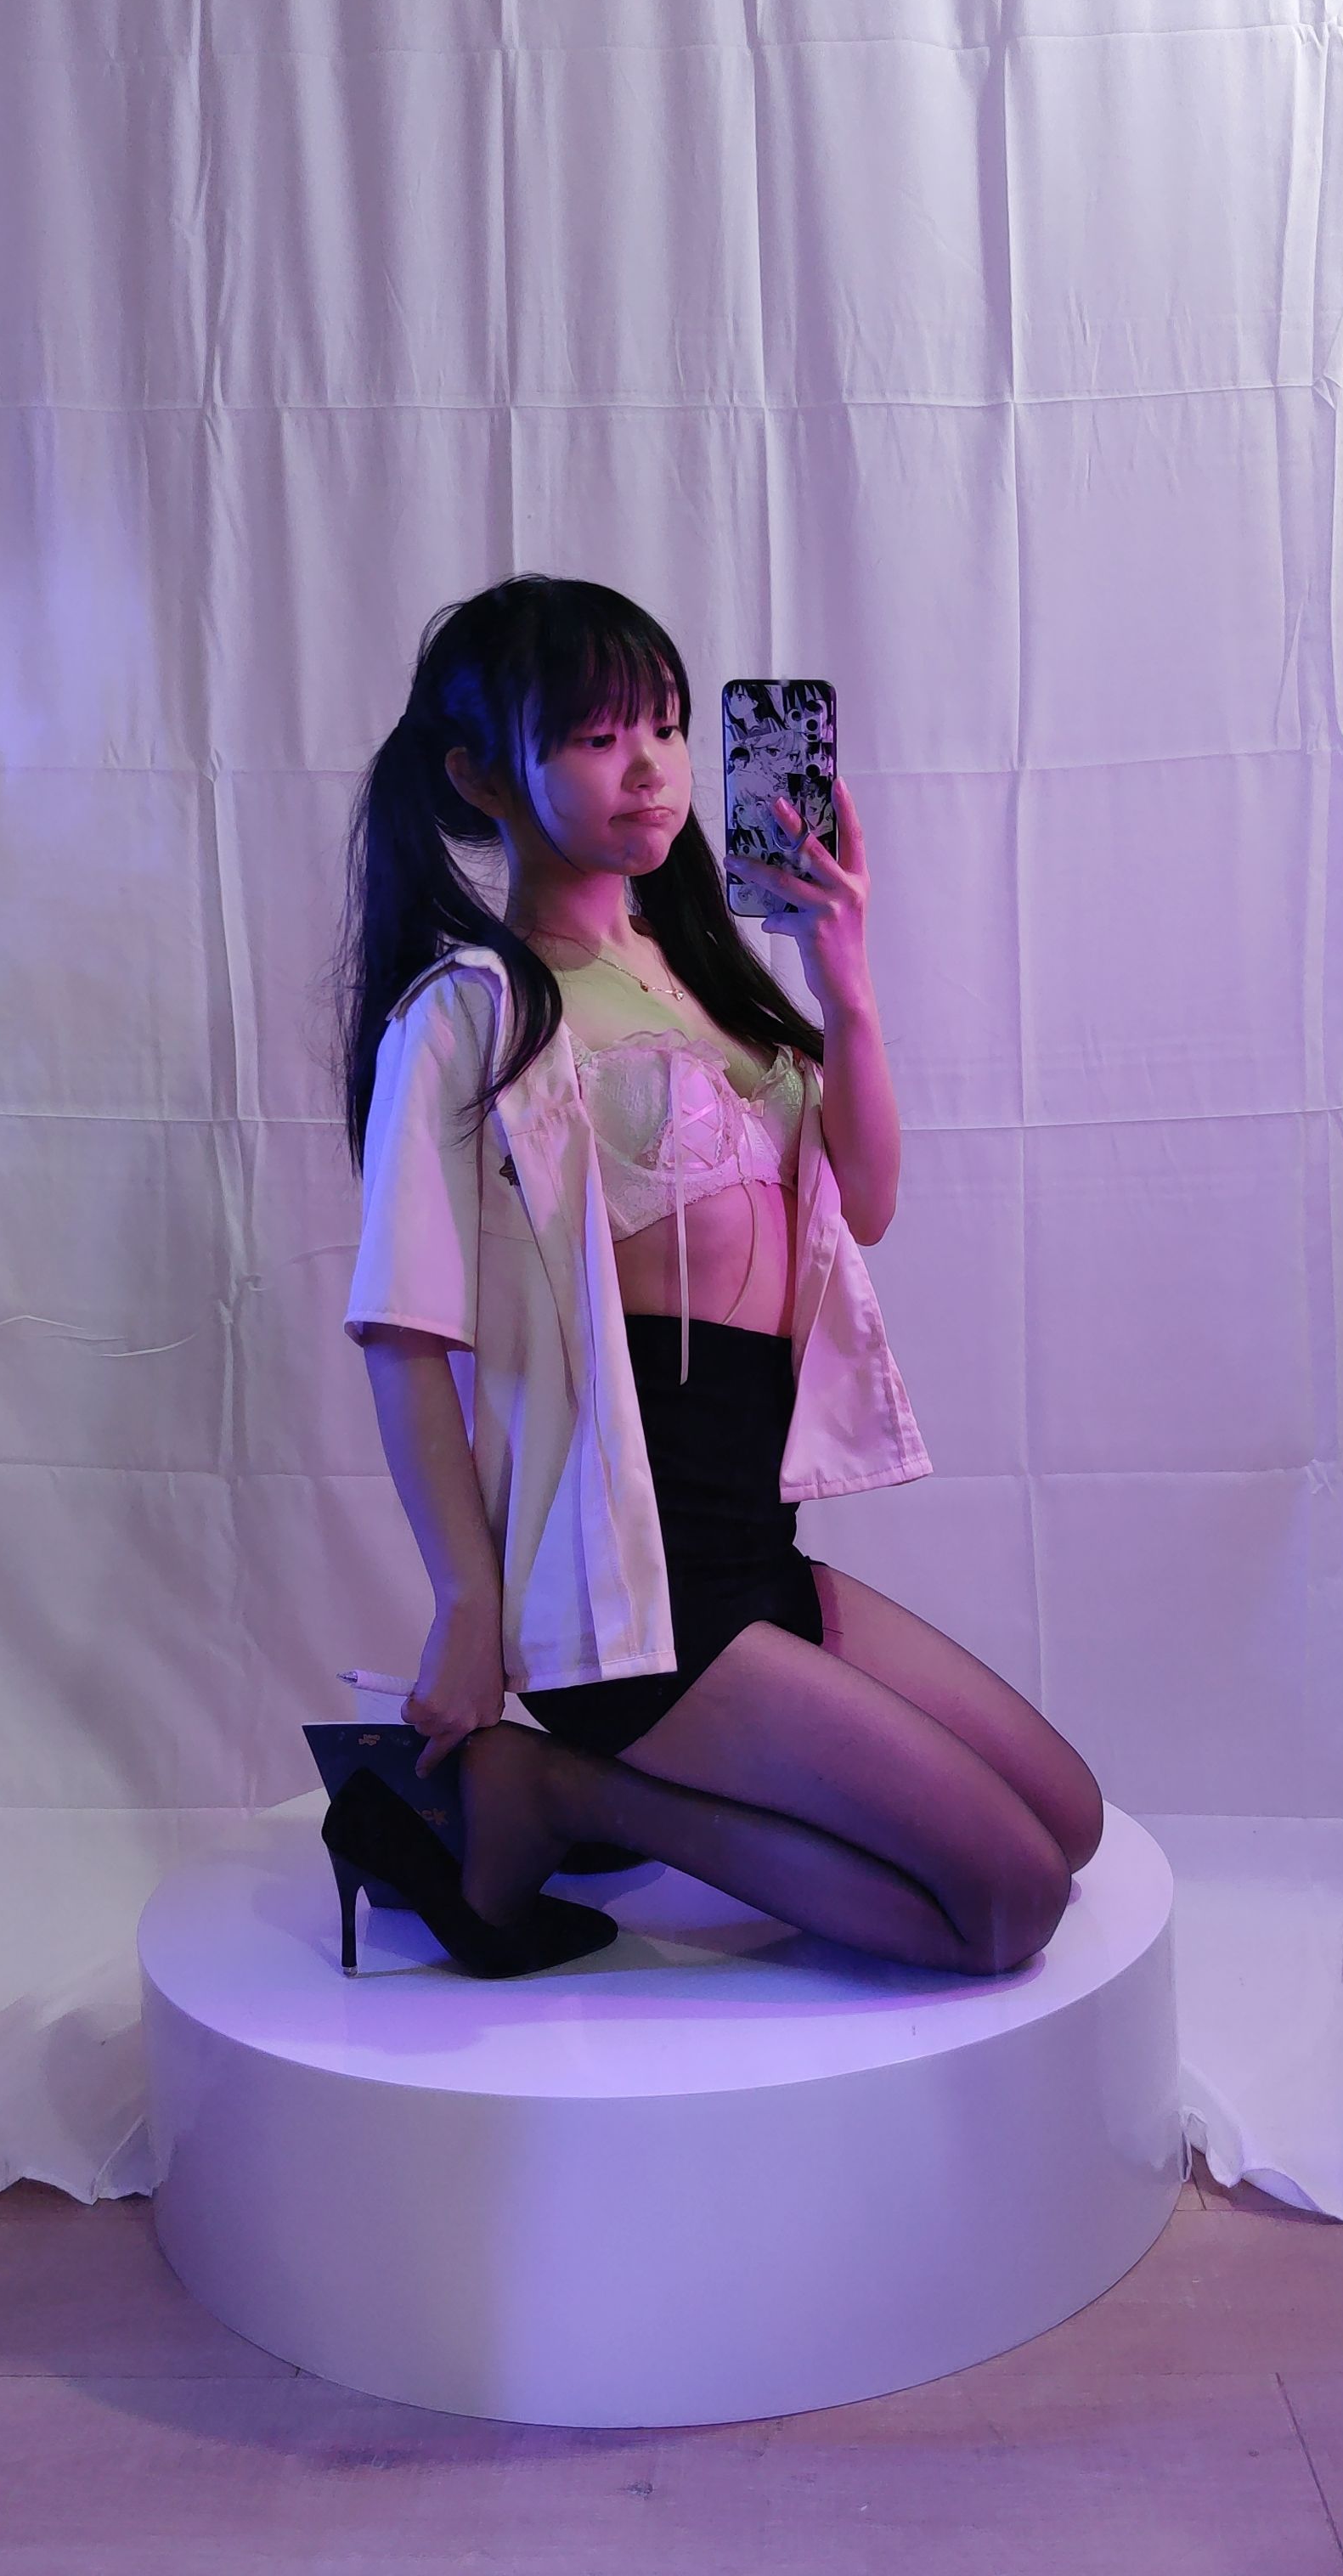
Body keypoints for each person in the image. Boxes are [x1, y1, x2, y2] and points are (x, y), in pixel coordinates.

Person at [329, 573, 1103, 1981]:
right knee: (1009, 1902)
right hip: (626, 1585)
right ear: (479, 776)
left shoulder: (712, 985)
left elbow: (866, 1202)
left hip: (749, 1544)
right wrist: (464, 1605)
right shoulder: (472, 1014)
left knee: (1071, 1821)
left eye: (669, 726)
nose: (651, 768)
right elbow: (405, 1335)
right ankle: (571, 1790)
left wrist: (842, 976)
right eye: (596, 736)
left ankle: (588, 1791)